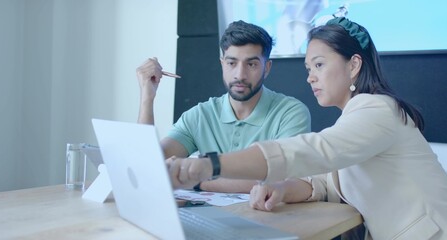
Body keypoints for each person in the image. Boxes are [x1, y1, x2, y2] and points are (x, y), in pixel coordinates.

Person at [167, 17, 447, 239]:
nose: (311, 78)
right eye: (308, 68)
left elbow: (314, 151)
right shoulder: (354, 118)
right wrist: (282, 189)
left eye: (319, 65)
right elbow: (325, 183)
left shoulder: (377, 109)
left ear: (354, 65)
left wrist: (209, 165)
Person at [136, 20, 311, 193]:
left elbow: (284, 182)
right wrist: (147, 96)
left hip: (270, 218)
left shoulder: (291, 113)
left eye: (251, 64)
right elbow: (150, 164)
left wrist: (198, 181)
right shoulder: (200, 115)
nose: (239, 75)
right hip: (209, 217)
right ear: (222, 64)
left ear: (267, 68)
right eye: (231, 63)